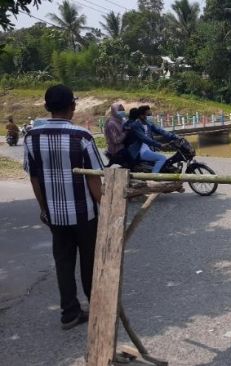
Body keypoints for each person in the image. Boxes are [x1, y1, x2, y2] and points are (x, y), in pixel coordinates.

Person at [23, 84, 104, 330]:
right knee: (90, 261)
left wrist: (44, 209)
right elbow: (93, 178)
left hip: (56, 216)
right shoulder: (82, 137)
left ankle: (69, 313)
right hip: (85, 215)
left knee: (64, 262)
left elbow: (34, 178)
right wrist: (105, 205)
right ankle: (98, 308)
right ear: (72, 107)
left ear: (47, 108)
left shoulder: (31, 137)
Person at [124, 106, 177, 173]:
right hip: (139, 151)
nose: (149, 116)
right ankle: (153, 177)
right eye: (148, 115)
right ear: (141, 115)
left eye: (150, 114)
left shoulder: (148, 124)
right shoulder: (135, 125)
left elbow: (160, 131)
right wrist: (160, 145)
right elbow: (145, 139)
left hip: (147, 149)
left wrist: (175, 136)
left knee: (165, 162)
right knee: (162, 158)